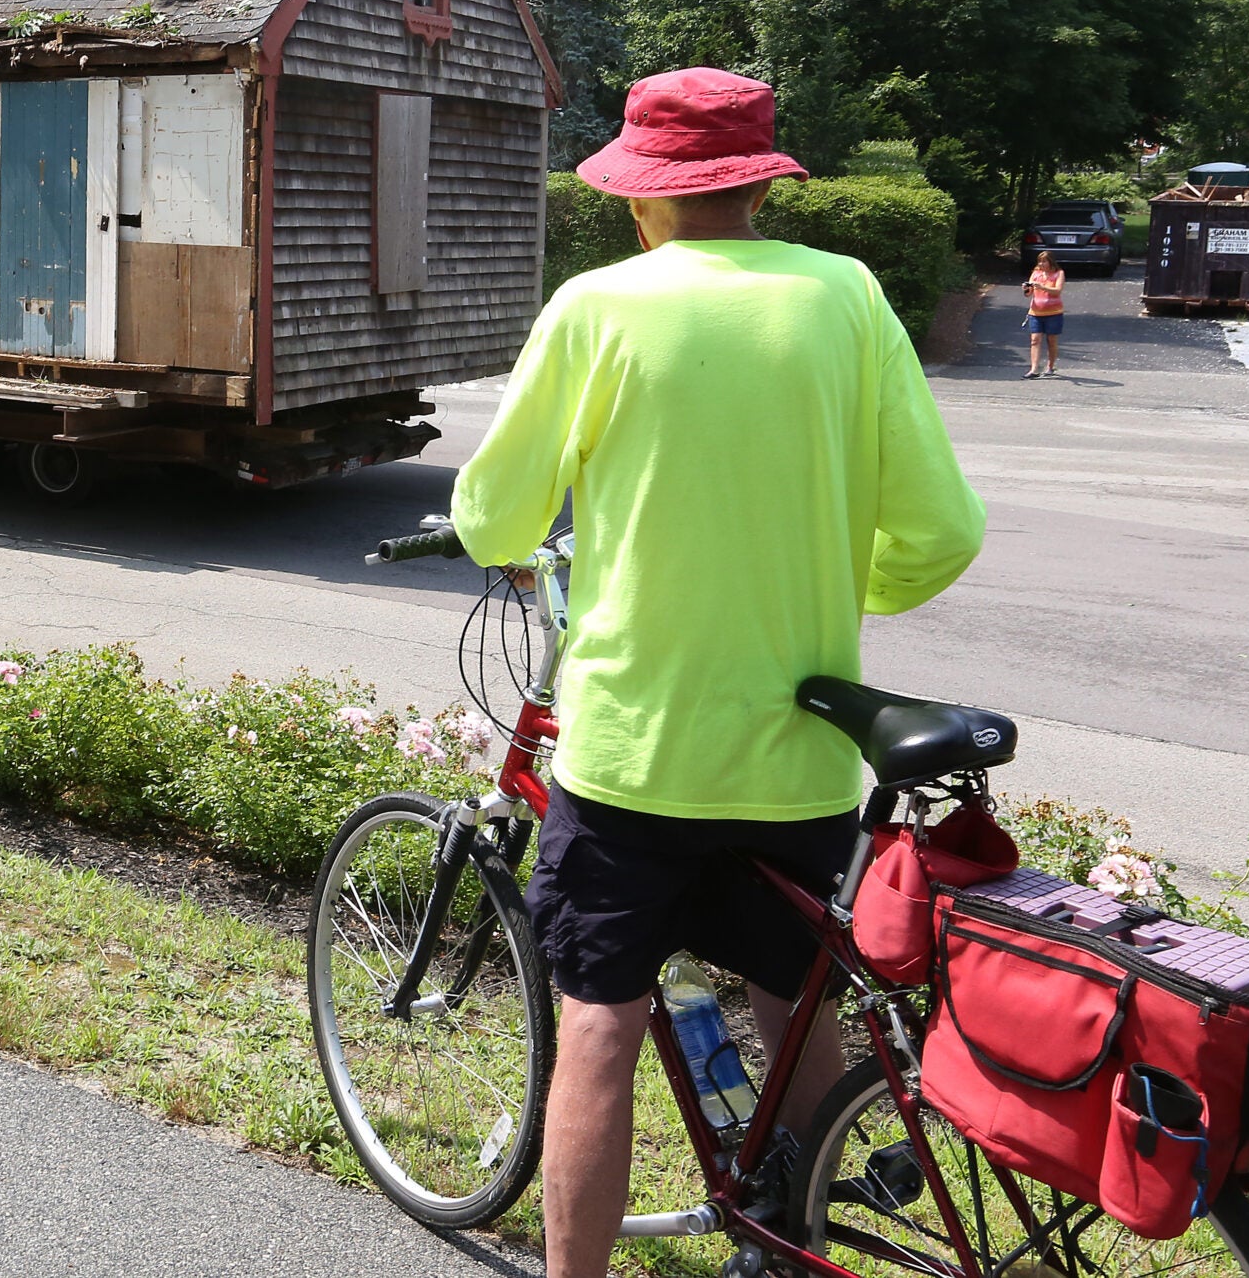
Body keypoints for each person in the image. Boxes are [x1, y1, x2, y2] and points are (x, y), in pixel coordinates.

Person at [450, 67, 987, 1278]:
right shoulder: (847, 296)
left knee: (598, 1027)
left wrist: (509, 529)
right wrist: (831, 588)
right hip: (794, 753)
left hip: (631, 751)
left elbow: (492, 518)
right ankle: (787, 1239)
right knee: (794, 1001)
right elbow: (942, 530)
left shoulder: (600, 306)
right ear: (758, 182)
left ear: (640, 198)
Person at [1022, 249, 1065, 379]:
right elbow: (1029, 294)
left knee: (1051, 340)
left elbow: (1057, 290)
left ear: (1050, 262)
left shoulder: (1059, 273)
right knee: (1035, 339)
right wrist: (1026, 289)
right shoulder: (1036, 273)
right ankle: (1034, 369)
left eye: (1044, 261)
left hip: (1054, 312)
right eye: (1039, 261)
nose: (1041, 264)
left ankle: (1050, 366)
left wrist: (1042, 287)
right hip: (1035, 312)